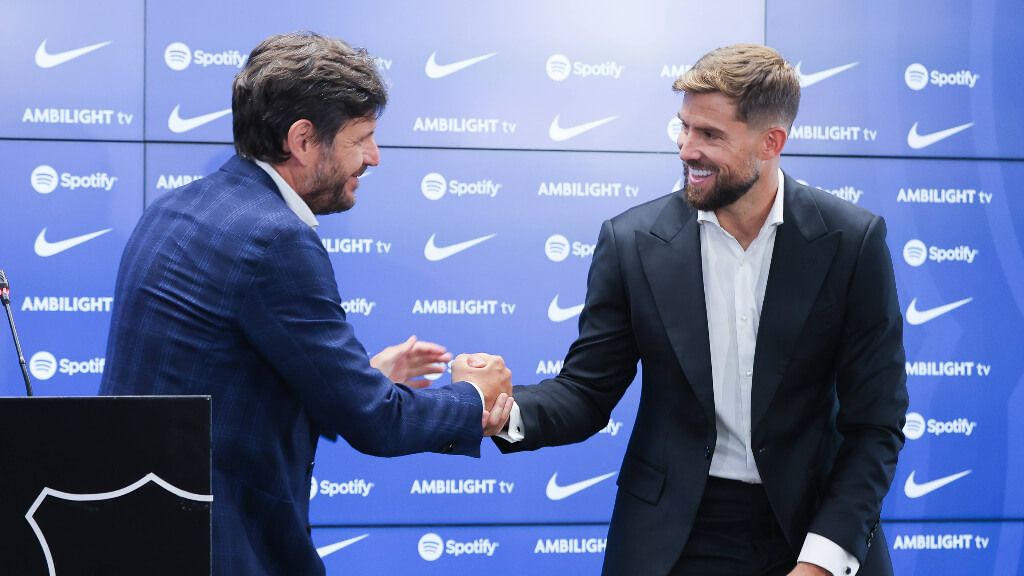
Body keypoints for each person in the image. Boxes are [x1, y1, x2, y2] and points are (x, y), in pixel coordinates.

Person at [100, 32, 514, 575]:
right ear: (302, 141)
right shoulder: (275, 238)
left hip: (137, 533)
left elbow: (223, 384)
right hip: (218, 546)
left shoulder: (176, 208)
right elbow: (376, 423)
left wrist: (361, 375)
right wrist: (472, 399)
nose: (374, 157)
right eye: (361, 138)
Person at [495, 44, 908, 576]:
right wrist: (505, 412)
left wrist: (823, 561)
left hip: (815, 525)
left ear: (771, 142)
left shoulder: (852, 242)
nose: (688, 149)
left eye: (710, 135)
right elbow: (587, 390)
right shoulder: (631, 242)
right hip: (674, 533)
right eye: (684, 128)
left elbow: (875, 423)